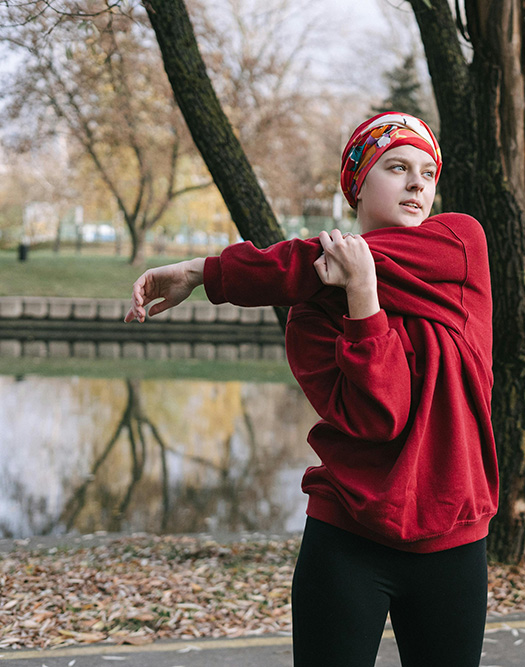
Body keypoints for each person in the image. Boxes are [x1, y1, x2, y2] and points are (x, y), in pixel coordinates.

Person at [124, 112, 496, 667]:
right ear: (358, 187)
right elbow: (380, 417)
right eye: (396, 168)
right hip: (348, 537)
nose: (418, 183)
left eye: (427, 172)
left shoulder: (462, 246)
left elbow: (309, 260)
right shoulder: (314, 310)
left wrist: (206, 272)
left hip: (453, 534)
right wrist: (363, 299)